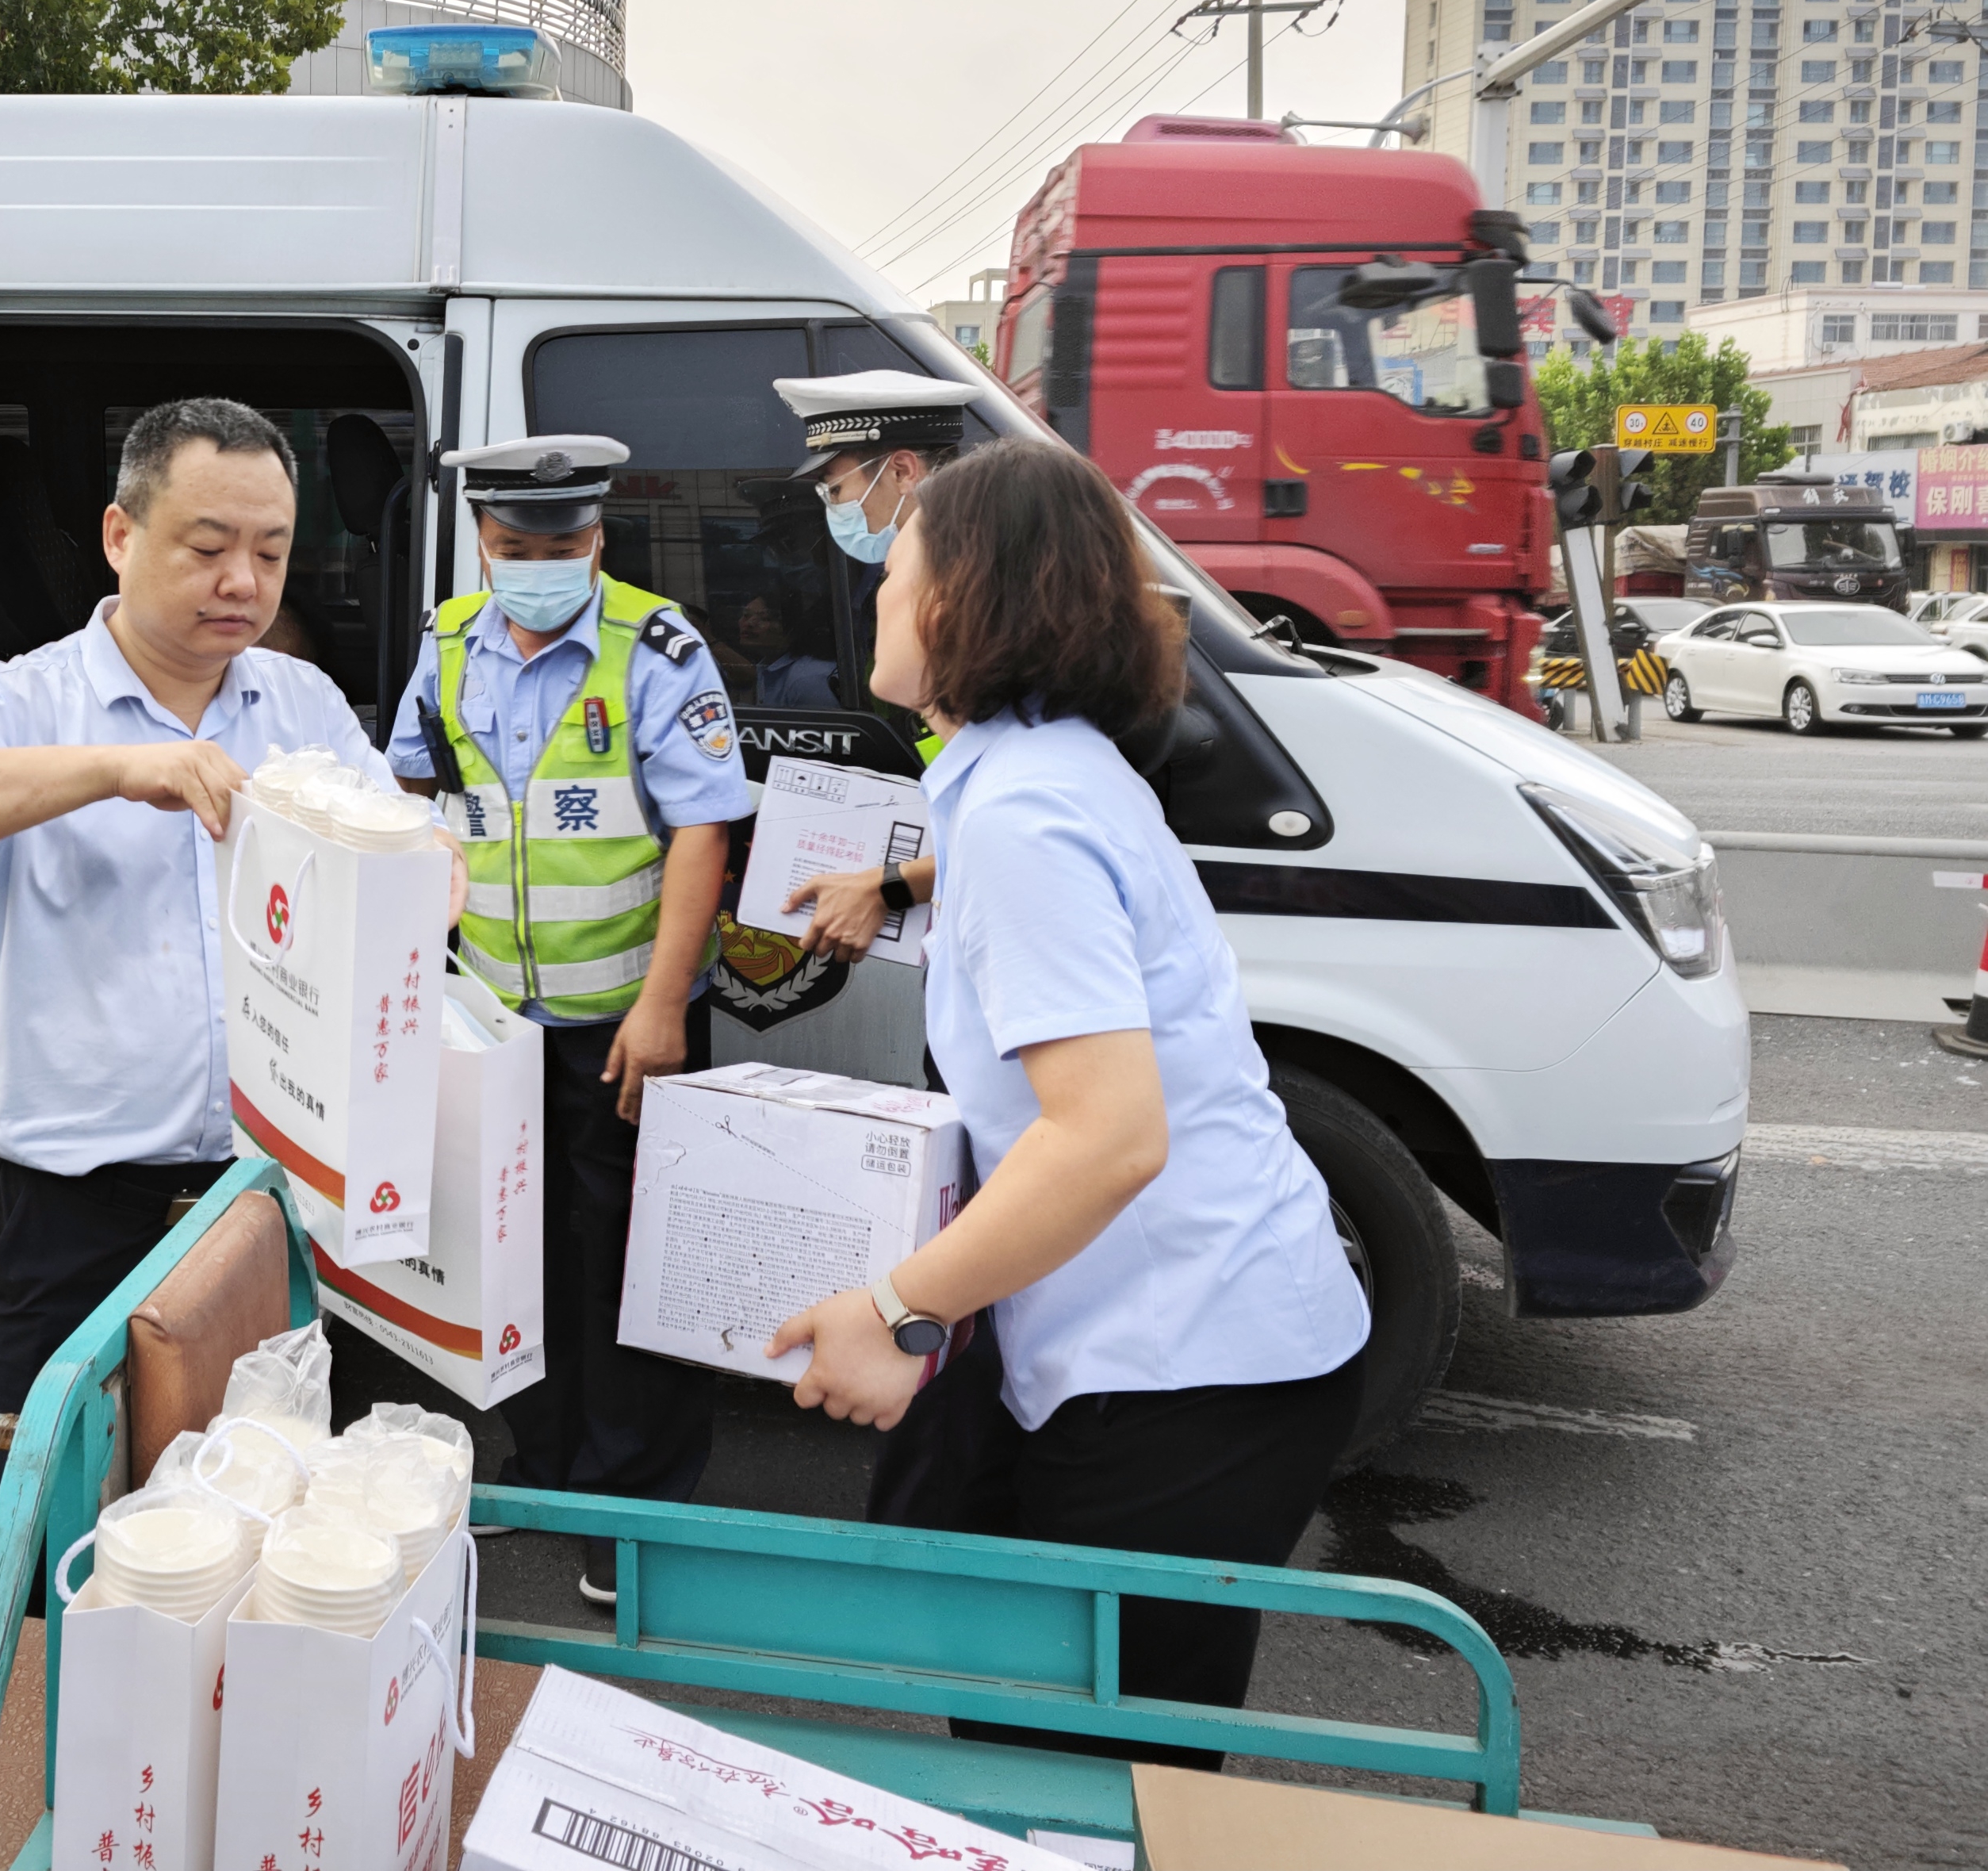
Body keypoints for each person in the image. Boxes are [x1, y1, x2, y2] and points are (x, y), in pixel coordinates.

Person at [767, 439, 1369, 1762]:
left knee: (1089, 1766)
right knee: (1030, 1694)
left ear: (964, 598)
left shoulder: (1027, 810)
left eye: (898, 567)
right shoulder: (1032, 769)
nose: (872, 592)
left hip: (1187, 1363)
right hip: (1179, 1332)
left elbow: (1107, 1134)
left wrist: (895, 1311)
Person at [0, 399, 403, 1467]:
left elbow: (393, 858)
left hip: (258, 1200)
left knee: (249, 1512)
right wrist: (112, 767)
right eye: (209, 547)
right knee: (75, 1529)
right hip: (66, 1211)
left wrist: (429, 869)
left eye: (271, 550)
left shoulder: (304, 702)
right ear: (119, 536)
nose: (243, 580)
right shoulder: (18, 700)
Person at [382, 435, 748, 1609]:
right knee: (516, 1254)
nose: (540, 566)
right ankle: (545, 1466)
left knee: (628, 1264)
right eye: (516, 548)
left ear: (597, 543)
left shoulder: (657, 649)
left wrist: (659, 1007)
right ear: (485, 543)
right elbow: (410, 796)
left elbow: (703, 829)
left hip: (624, 1024)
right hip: (495, 1021)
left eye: (563, 548)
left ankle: (628, 1505)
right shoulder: (446, 646)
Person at [766, 370, 979, 964]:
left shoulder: (985, 609)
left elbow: (1020, 829)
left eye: (835, 489)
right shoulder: (958, 577)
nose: (884, 600)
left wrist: (888, 886)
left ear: (904, 470)